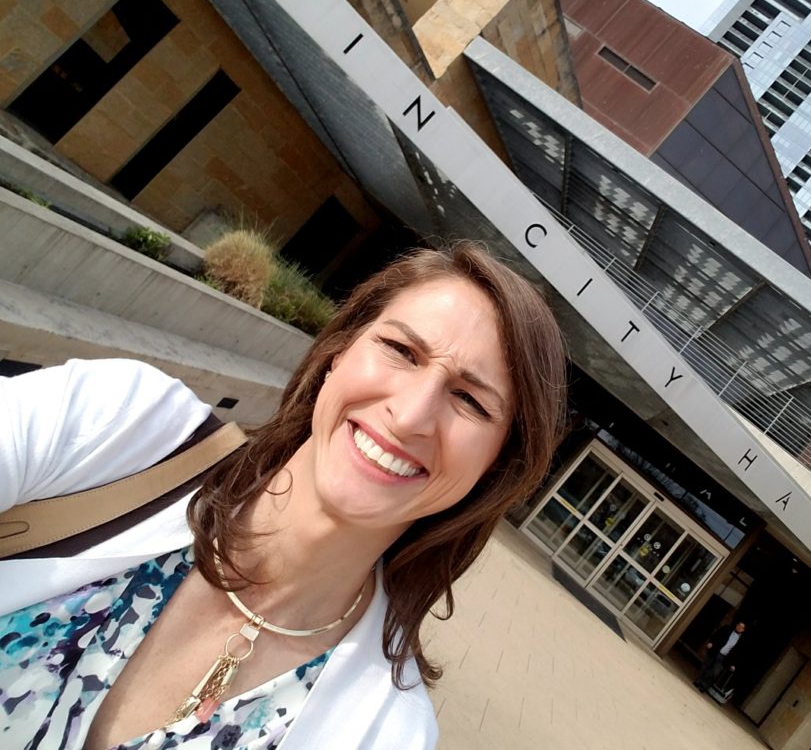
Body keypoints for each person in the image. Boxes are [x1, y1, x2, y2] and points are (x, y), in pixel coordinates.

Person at [0, 244, 567, 749]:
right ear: (337, 354)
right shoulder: (120, 427)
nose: (410, 415)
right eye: (401, 350)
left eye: (470, 401)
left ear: (495, 471)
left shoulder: (388, 733)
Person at [693, 621, 747, 694]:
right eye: (738, 625)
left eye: (741, 627)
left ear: (743, 630)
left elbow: (738, 653)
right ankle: (698, 681)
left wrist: (734, 664)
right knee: (705, 666)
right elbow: (716, 634)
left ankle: (704, 685)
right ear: (736, 625)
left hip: (724, 658)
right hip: (715, 650)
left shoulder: (741, 641)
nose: (739, 627)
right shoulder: (727, 628)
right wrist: (711, 642)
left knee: (714, 672)